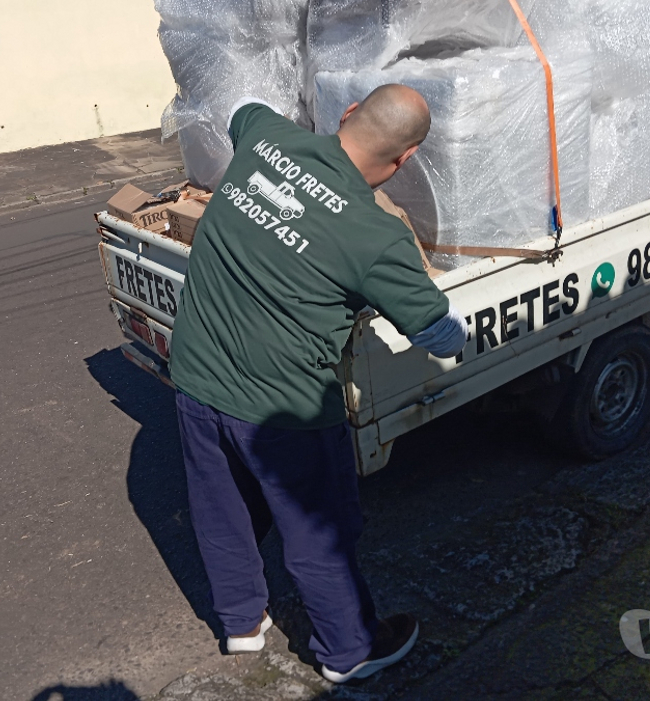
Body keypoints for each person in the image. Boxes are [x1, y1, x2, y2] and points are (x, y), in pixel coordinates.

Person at [168, 85, 468, 683]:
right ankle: (348, 651)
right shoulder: (374, 236)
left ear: (349, 113)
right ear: (405, 160)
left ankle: (240, 625)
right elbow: (442, 337)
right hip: (285, 411)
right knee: (317, 533)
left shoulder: (267, 140)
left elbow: (241, 109)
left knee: (222, 511)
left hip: (197, 379)